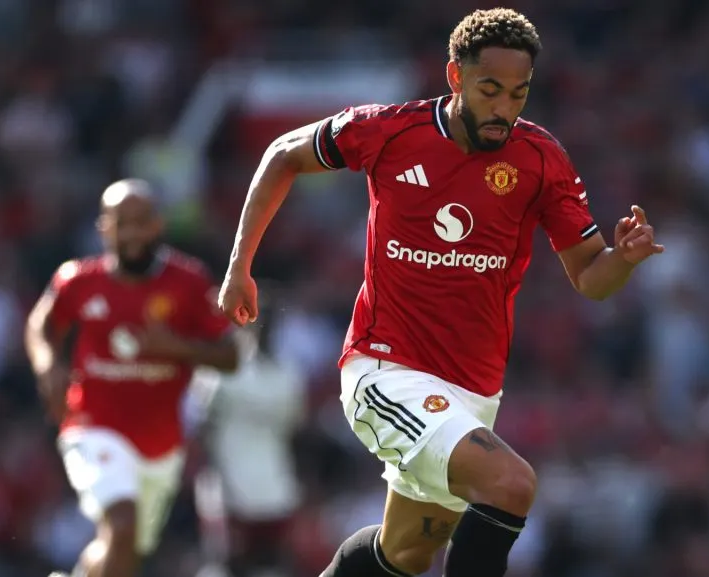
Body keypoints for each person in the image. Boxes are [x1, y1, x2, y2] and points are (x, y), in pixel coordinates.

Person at [218, 8, 664, 577]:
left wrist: (623, 259)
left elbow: (591, 277)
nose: (504, 109)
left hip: (473, 391)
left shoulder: (540, 158)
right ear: (456, 76)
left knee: (405, 553)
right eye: (490, 90)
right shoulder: (389, 131)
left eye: (519, 94)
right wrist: (239, 267)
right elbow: (283, 154)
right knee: (511, 484)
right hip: (386, 371)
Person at [24, 179, 239, 577]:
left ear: (158, 224)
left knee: (122, 548)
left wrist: (176, 347)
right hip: (92, 427)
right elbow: (42, 325)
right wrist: (47, 366)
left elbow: (231, 356)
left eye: (142, 222)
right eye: (122, 223)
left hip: (161, 446)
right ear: (104, 227)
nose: (133, 234)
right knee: (122, 527)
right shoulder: (79, 280)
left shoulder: (189, 281)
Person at [188, 302, 307, 577]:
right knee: (225, 564)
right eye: (259, 321)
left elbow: (296, 432)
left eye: (271, 322)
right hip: (229, 486)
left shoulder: (287, 375)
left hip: (275, 487)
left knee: (269, 564)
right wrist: (213, 481)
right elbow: (201, 428)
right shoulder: (221, 370)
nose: (266, 328)